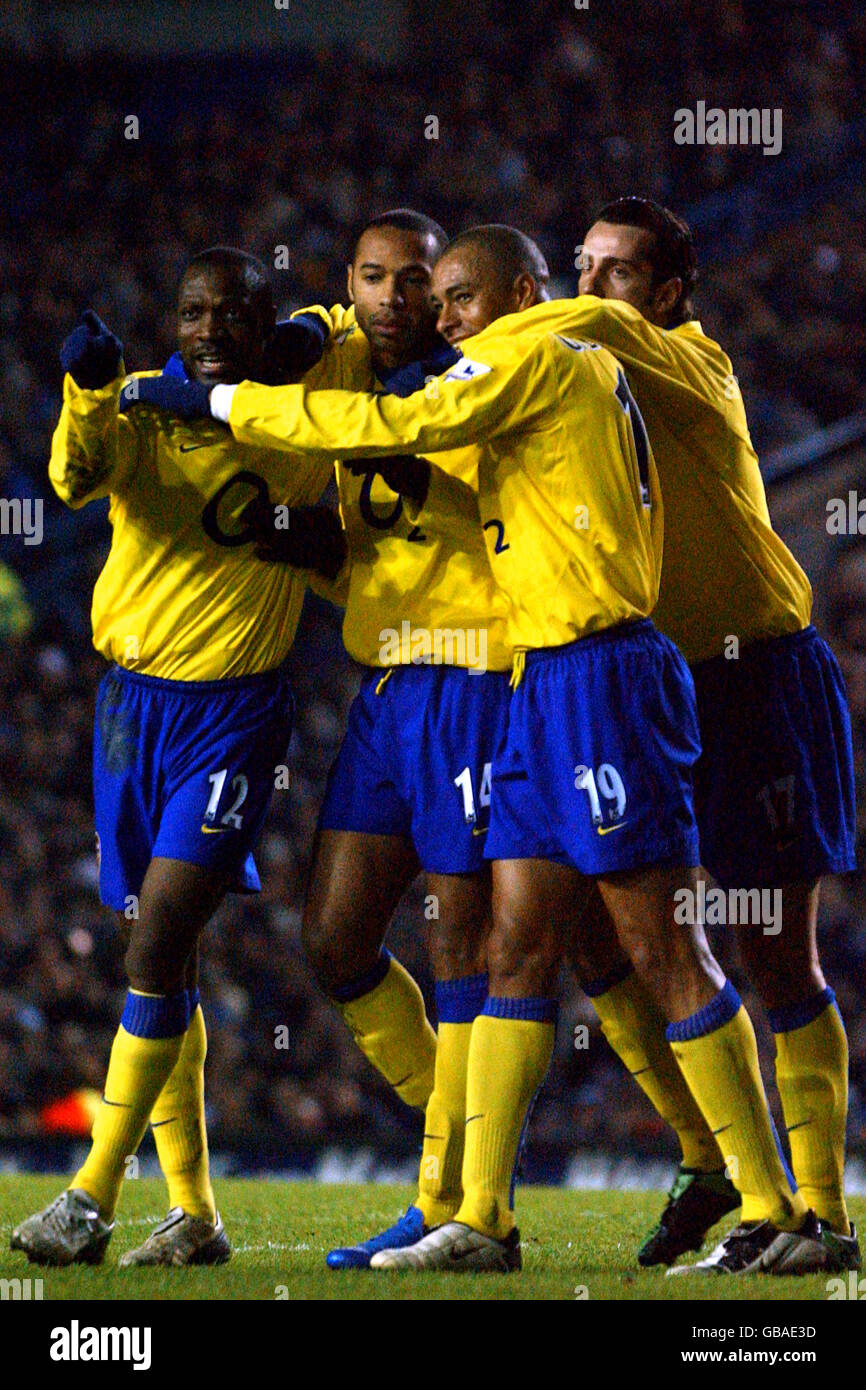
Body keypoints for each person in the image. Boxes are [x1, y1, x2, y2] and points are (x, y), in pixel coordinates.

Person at [138, 224, 831, 1276]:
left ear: (516, 292)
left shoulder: (538, 351)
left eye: (455, 295)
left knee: (656, 947)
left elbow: (412, 413)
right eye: (430, 296)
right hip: (542, 682)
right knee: (525, 947)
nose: (443, 315)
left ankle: (771, 1202)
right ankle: (480, 1216)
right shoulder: (521, 365)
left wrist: (220, 399)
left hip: (597, 669)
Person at [497, 197, 857, 1274]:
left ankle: (821, 1219)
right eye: (580, 264)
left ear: (664, 295)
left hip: (759, 675)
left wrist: (463, 341)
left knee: (771, 951)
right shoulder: (572, 387)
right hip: (654, 687)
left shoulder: (687, 360)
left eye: (614, 273)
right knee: (607, 928)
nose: (591, 287)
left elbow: (592, 331)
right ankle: (730, 1176)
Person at [10, 247, 336, 1268]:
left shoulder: (301, 407)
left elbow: (356, 317)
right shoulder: (142, 410)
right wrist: (88, 391)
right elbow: (71, 476)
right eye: (191, 313)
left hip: (232, 712)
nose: (206, 331)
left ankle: (90, 1195)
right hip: (127, 713)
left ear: (261, 323)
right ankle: (194, 1214)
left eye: (231, 316)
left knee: (152, 947)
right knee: (168, 959)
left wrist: (309, 333)